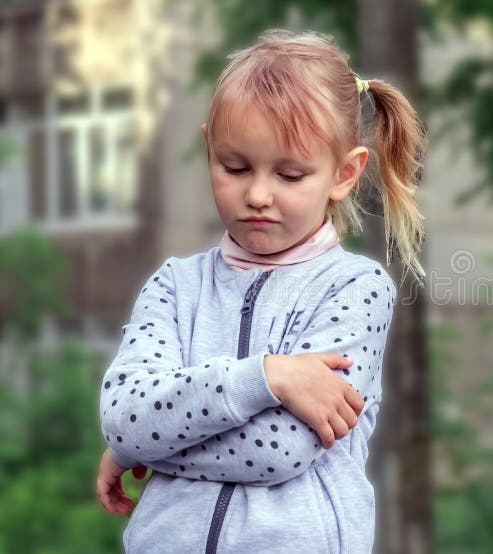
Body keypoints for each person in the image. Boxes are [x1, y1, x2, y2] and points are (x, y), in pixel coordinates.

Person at [95, 28, 425, 553]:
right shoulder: (175, 286)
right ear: (210, 149)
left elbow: (279, 450)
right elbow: (121, 415)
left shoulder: (355, 290)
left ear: (343, 174)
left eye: (291, 174)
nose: (258, 194)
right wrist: (267, 377)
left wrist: (148, 445)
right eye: (235, 167)